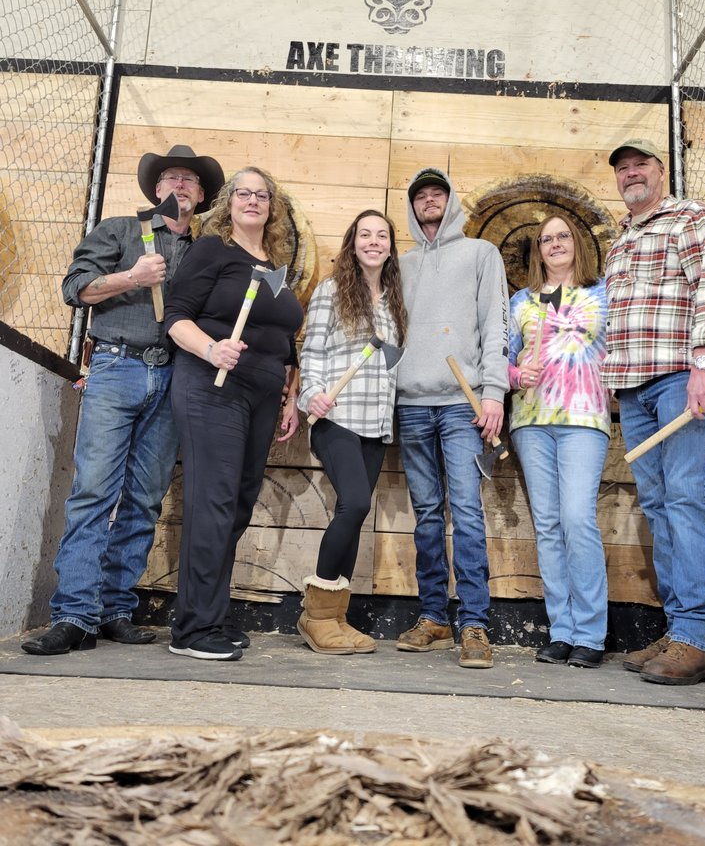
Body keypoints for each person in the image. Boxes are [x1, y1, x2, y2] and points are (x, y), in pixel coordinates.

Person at [22, 145, 223, 656]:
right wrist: (132, 278)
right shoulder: (118, 230)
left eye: (191, 181)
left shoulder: (207, 250)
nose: (180, 186)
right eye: (172, 178)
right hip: (116, 367)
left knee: (144, 499)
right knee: (93, 492)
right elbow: (75, 289)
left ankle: (113, 609)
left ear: (200, 197)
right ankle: (74, 616)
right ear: (156, 189)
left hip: (175, 374)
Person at [602, 138, 705, 685]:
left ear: (661, 171)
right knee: (657, 505)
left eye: (641, 165)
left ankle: (696, 639)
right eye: (622, 168)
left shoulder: (690, 217)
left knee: (684, 499)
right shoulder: (620, 242)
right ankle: (678, 626)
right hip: (633, 390)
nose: (631, 174)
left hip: (679, 380)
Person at [164, 166, 304, 661]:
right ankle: (193, 629)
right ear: (229, 201)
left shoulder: (277, 263)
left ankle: (210, 613)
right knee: (214, 501)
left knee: (239, 504)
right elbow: (176, 317)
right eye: (243, 193)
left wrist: (289, 390)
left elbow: (283, 338)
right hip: (211, 386)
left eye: (261, 194)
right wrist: (210, 350)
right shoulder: (213, 249)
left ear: (273, 204)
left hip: (262, 394)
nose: (252, 200)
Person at [395, 167, 509, 669]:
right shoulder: (401, 263)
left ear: (452, 198)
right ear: (412, 207)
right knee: (424, 514)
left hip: (464, 404)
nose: (429, 200)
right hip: (412, 404)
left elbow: (494, 322)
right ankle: (434, 617)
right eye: (420, 195)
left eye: (437, 192)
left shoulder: (480, 254)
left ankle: (475, 624)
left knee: (465, 510)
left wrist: (494, 393)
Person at [296, 210, 407, 654]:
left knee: (354, 512)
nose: (374, 241)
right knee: (356, 502)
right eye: (365, 234)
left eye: (382, 235)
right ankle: (315, 615)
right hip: (337, 416)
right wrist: (312, 395)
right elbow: (314, 349)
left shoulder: (395, 298)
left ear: (391, 246)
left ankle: (336, 618)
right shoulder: (331, 290)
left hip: (376, 422)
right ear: (353, 242)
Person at [508, 215, 610, 669]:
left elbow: (620, 349)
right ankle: (561, 630)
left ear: (577, 244)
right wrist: (514, 374)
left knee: (577, 519)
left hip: (584, 418)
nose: (554, 244)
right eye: (546, 240)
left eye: (562, 236)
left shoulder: (602, 294)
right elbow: (503, 361)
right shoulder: (521, 302)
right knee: (548, 525)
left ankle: (591, 633)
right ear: (538, 251)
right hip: (531, 419)